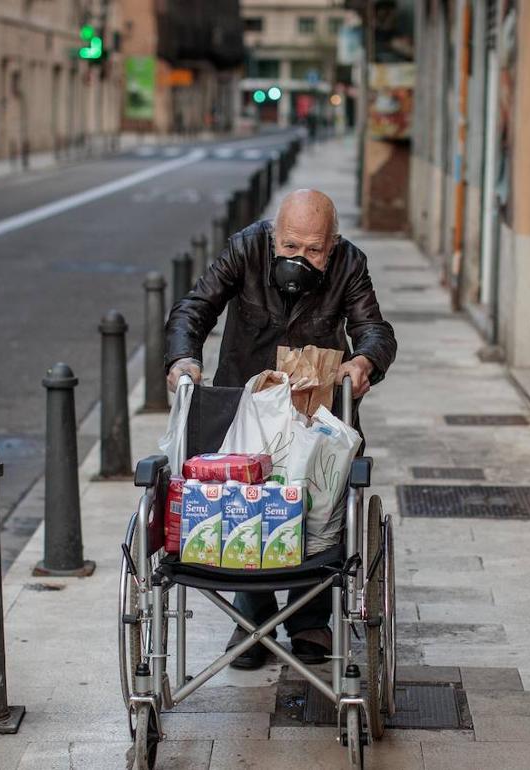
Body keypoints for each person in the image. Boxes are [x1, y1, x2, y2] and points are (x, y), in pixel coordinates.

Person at [164, 188, 397, 668]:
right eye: (291, 247)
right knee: (246, 500)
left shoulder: (349, 263)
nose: (301, 259)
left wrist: (364, 360)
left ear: (332, 245)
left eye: (314, 250)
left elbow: (375, 328)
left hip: (315, 406)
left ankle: (309, 620)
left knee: (316, 506)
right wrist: (184, 357)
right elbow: (194, 307)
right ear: (274, 237)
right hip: (245, 402)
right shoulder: (246, 248)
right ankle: (252, 616)